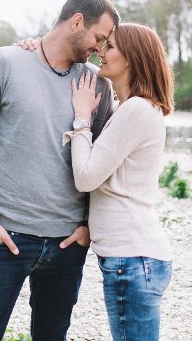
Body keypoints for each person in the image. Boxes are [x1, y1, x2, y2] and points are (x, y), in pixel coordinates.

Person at [0, 0, 120, 341]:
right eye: (98, 37)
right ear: (77, 21)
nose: (100, 48)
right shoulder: (3, 63)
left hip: (66, 246)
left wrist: (88, 227)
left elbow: (106, 167)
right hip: (5, 239)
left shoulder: (98, 85)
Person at [63, 22, 175, 341]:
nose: (101, 51)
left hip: (133, 258)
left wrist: (82, 118)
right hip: (133, 257)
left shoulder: (137, 110)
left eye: (109, 46)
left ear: (132, 57)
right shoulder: (129, 108)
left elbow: (86, 177)